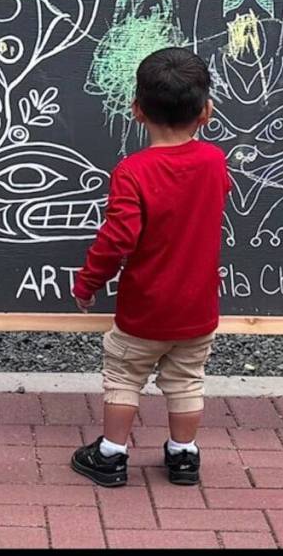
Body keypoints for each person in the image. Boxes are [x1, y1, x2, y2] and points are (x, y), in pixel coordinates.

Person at [69, 47, 231, 488]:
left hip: (144, 310)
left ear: (136, 110)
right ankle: (183, 457)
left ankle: (111, 454)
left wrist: (87, 284)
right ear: (206, 111)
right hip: (197, 310)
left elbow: (118, 238)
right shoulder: (215, 163)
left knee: (124, 375)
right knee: (186, 380)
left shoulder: (133, 172)